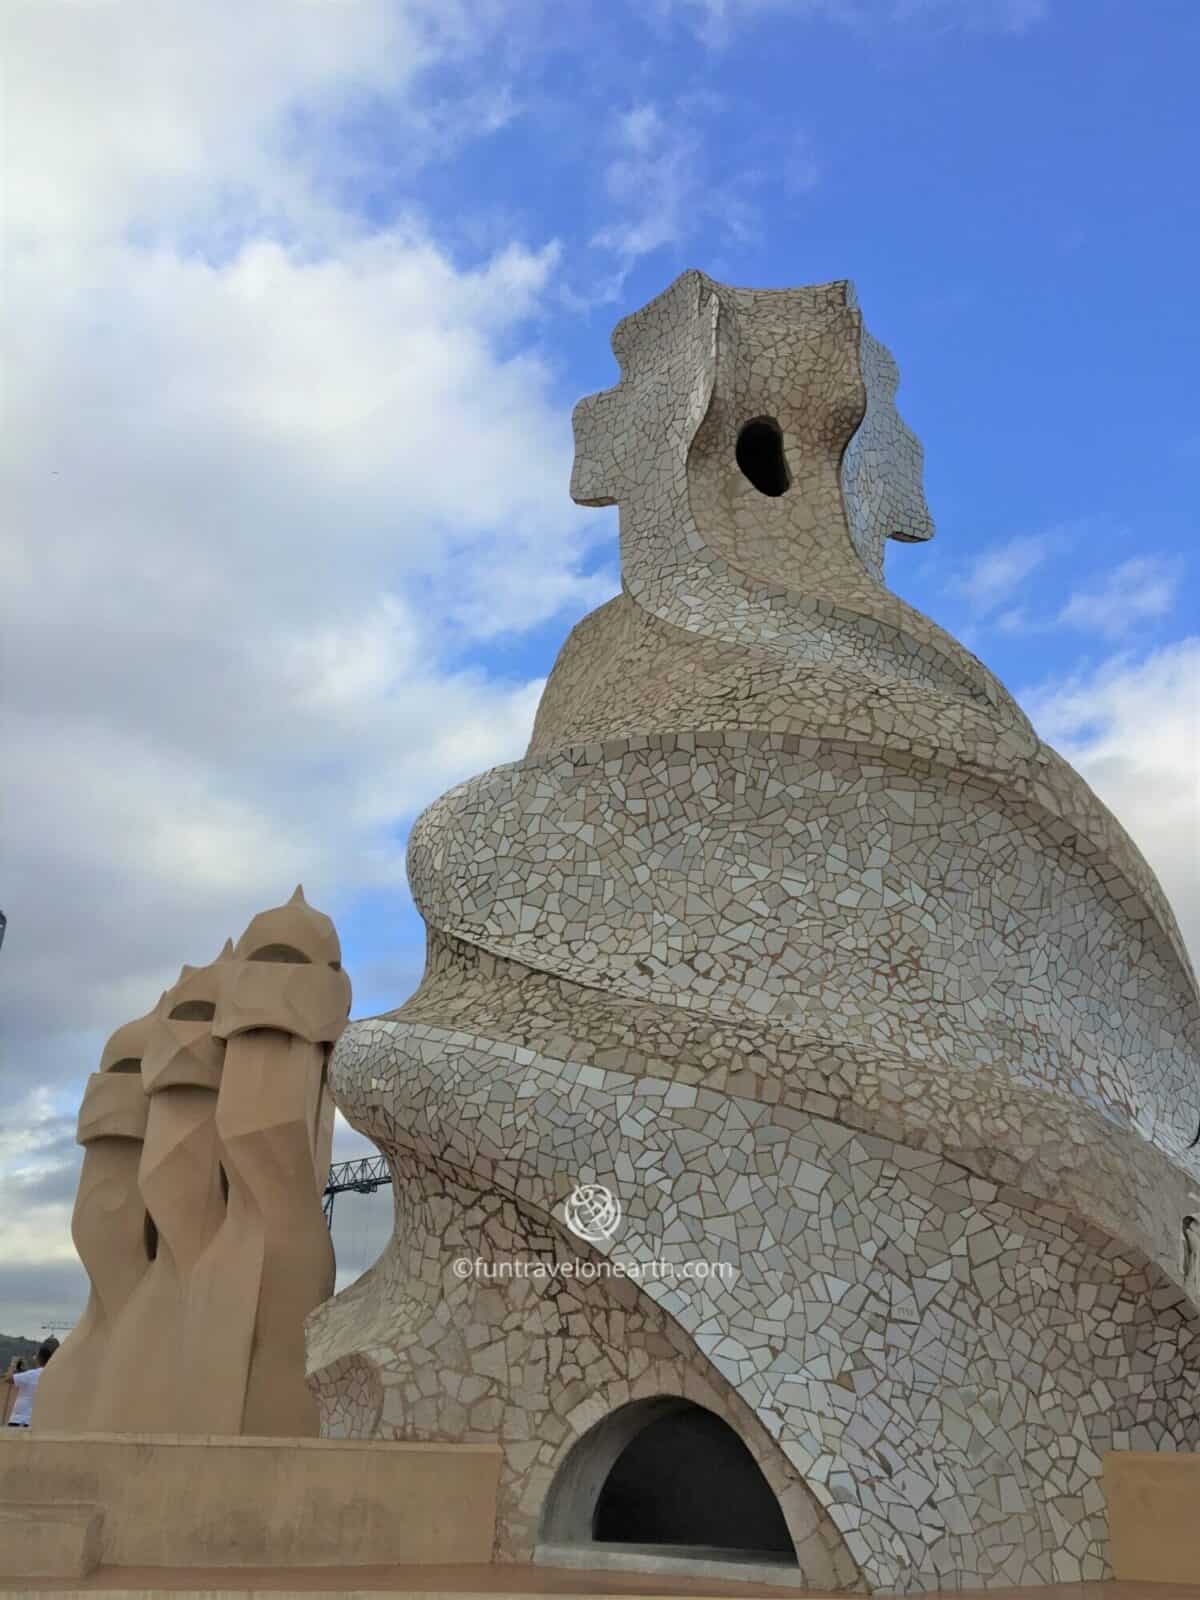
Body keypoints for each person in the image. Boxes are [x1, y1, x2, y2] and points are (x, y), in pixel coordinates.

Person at [3, 1340, 59, 1427]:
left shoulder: (31, 1375)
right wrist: (24, 1371)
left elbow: (8, 1378)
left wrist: (13, 1364)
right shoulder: (55, 1375)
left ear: (39, 1358)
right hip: (38, 1422)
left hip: (20, 1420)